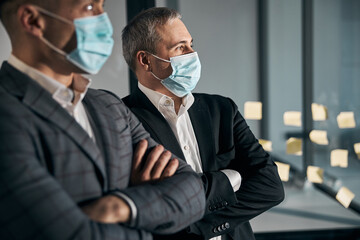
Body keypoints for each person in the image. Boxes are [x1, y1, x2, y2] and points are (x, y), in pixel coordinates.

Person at [0, 1, 206, 239]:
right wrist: (148, 211)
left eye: (102, 6)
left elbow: (193, 191)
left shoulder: (108, 105)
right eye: (89, 7)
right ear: (33, 20)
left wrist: (122, 205)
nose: (103, 20)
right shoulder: (7, 112)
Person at [122, 7, 285, 240]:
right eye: (180, 47)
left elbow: (271, 187)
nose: (192, 53)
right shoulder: (122, 119)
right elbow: (148, 205)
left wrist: (197, 228)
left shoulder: (223, 110)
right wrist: (231, 178)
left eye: (191, 44)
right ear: (146, 60)